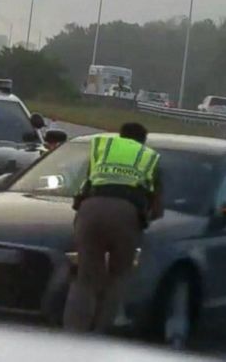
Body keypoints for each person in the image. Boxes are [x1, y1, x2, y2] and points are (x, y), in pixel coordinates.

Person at [63, 122, 163, 333]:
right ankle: (101, 333)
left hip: (90, 210)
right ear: (143, 141)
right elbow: (157, 207)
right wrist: (144, 220)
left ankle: (72, 332)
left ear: (121, 135)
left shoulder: (103, 147)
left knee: (86, 277)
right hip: (125, 214)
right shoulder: (149, 157)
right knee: (118, 276)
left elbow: (84, 187)